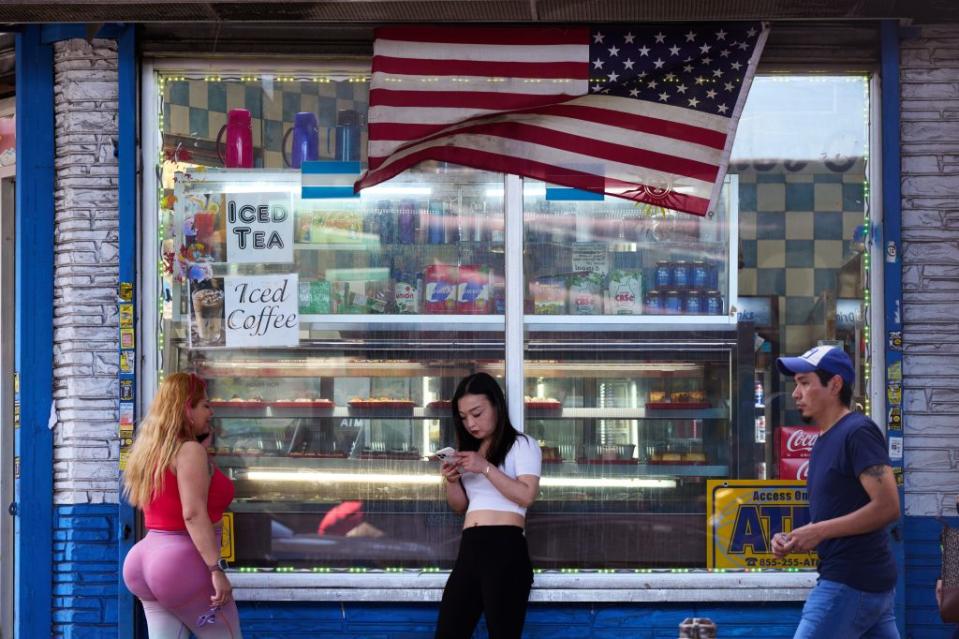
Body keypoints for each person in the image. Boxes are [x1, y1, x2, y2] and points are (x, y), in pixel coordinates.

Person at [773, 345, 900, 639]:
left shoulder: (858, 432)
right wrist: (795, 538)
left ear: (835, 385)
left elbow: (888, 507)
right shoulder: (824, 440)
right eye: (796, 384)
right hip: (864, 583)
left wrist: (818, 532)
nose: (796, 394)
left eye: (805, 383)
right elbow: (838, 510)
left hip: (850, 582)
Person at [122, 372, 243, 638]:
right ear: (187, 408)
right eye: (205, 405)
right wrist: (216, 569)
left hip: (145, 558)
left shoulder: (149, 450)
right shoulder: (188, 451)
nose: (210, 412)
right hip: (182, 561)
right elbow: (193, 513)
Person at [434, 372, 542, 639]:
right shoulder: (469, 452)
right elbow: (460, 507)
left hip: (505, 545)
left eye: (477, 413)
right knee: (449, 632)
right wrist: (451, 480)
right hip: (470, 546)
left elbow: (526, 495)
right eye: (463, 417)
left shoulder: (522, 445)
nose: (470, 423)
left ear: (496, 405)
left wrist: (484, 467)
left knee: (503, 633)